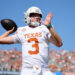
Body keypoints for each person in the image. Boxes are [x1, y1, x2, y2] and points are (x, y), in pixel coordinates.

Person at [0, 6, 63, 75]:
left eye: (38, 15)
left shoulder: (45, 28)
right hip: (28, 70)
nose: (37, 17)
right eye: (34, 15)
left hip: (44, 69)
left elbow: (59, 43)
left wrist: (49, 26)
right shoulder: (21, 31)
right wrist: (8, 32)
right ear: (28, 16)